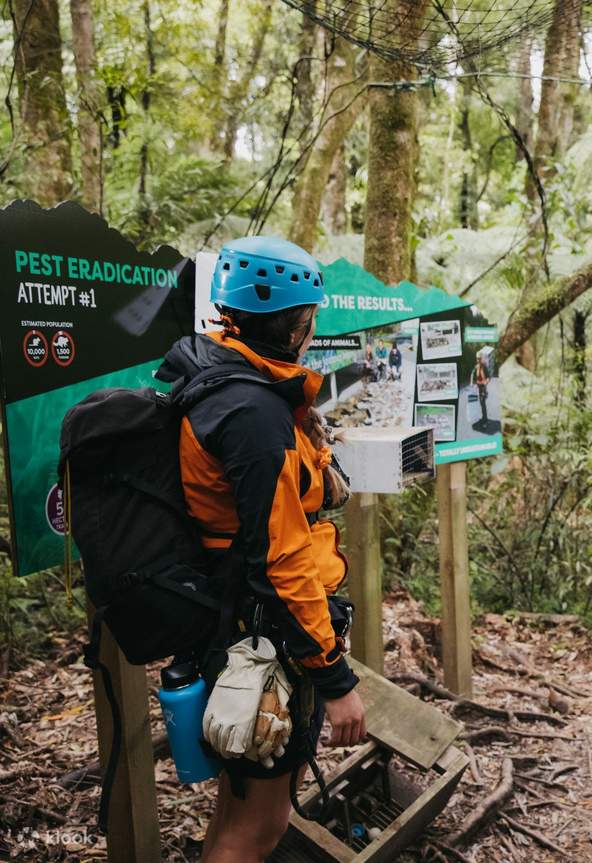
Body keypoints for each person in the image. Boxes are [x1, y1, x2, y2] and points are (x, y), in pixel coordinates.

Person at [157, 236, 366, 862]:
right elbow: (281, 560)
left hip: (239, 622)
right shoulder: (251, 411)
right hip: (264, 636)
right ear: (293, 322)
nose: (313, 329)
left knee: (237, 809)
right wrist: (334, 679)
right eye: (311, 318)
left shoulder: (230, 377)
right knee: (259, 828)